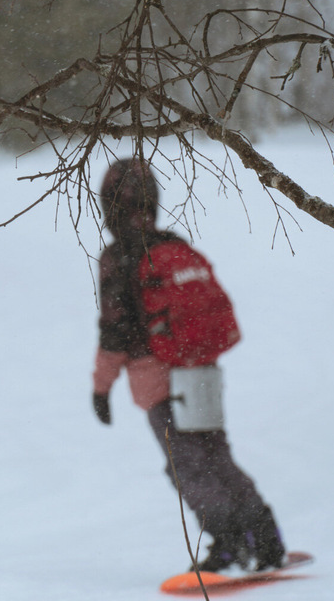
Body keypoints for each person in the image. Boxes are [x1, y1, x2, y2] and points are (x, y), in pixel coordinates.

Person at [90, 157, 286, 573]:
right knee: (217, 458)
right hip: (201, 373)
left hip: (159, 382)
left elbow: (115, 332)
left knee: (190, 467)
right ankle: (265, 538)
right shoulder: (174, 245)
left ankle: (229, 545)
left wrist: (101, 388)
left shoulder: (119, 257)